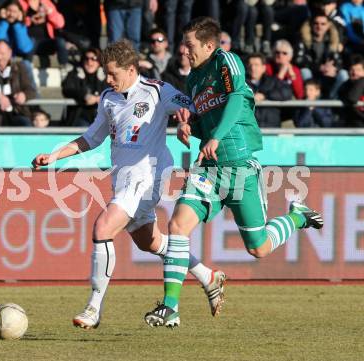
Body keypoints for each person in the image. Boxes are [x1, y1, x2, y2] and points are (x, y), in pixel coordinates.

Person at [32, 39, 226, 330]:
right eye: (106, 74)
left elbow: (192, 108)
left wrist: (185, 122)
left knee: (103, 227)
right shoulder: (109, 98)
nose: (108, 79)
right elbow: (91, 139)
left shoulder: (157, 91)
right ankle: (207, 276)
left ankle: (93, 308)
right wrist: (56, 155)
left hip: (149, 174)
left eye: (113, 74)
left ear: (131, 69)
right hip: (123, 178)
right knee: (151, 242)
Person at [144, 17, 324, 328]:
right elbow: (208, 120)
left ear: (209, 45)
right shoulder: (194, 80)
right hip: (209, 169)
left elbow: (239, 98)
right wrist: (191, 127)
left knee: (258, 248)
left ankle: (297, 216)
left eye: (189, 45)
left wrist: (214, 136)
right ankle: (170, 307)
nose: (184, 51)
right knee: (177, 225)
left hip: (240, 166)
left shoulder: (226, 61)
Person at [0, 40, 36, 126]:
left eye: (3, 54)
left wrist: (24, 95)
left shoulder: (19, 68)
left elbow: (30, 90)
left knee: (25, 125)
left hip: (17, 112)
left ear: (10, 53)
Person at [61, 47, 107, 126]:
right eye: (87, 58)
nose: (89, 62)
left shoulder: (106, 75)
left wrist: (99, 98)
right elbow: (67, 89)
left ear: (99, 62)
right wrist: (84, 96)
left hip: (101, 116)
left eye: (93, 59)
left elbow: (114, 90)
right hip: (79, 115)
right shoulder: (75, 73)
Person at [246, 53, 293, 127]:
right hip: (249, 131)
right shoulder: (241, 84)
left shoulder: (273, 81)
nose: (253, 68)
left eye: (256, 65)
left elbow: (287, 93)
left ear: (264, 67)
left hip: (271, 130)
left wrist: (265, 96)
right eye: (250, 65)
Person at [338, 55, 364, 127]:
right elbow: (352, 98)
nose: (355, 73)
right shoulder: (345, 86)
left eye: (358, 70)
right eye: (352, 69)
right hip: (353, 128)